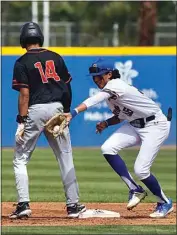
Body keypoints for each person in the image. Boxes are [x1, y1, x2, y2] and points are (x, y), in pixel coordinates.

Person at [64, 58, 173, 218]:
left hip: (155, 125)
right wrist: (106, 123)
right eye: (94, 77)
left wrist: (73, 113)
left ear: (109, 74)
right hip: (135, 125)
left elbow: (94, 99)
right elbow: (122, 116)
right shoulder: (110, 94)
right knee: (107, 148)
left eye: (99, 76)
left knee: (141, 170)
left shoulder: (115, 85)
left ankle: (164, 202)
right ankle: (135, 189)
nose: (96, 80)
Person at [10, 22, 86, 219]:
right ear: (40, 38)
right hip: (57, 109)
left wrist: (21, 120)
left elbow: (24, 95)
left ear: (23, 40)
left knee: (20, 158)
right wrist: (66, 112)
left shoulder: (21, 62)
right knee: (65, 156)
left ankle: (24, 204)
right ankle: (73, 206)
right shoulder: (56, 57)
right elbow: (67, 88)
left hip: (35, 110)